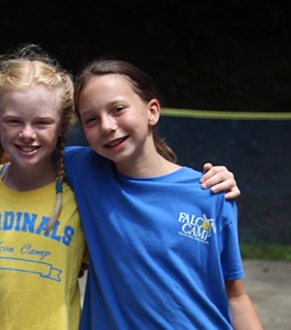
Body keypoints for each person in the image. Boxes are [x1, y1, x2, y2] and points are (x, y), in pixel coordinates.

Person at [66, 59, 264, 329]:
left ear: (152, 111)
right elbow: (23, 150)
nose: (107, 125)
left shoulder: (210, 191)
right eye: (90, 119)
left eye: (118, 109)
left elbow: (235, 296)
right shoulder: (84, 170)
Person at [0, 44, 85, 329]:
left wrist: (214, 182)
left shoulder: (83, 195)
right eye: (14, 121)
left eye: (42, 122)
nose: (27, 134)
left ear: (63, 125)